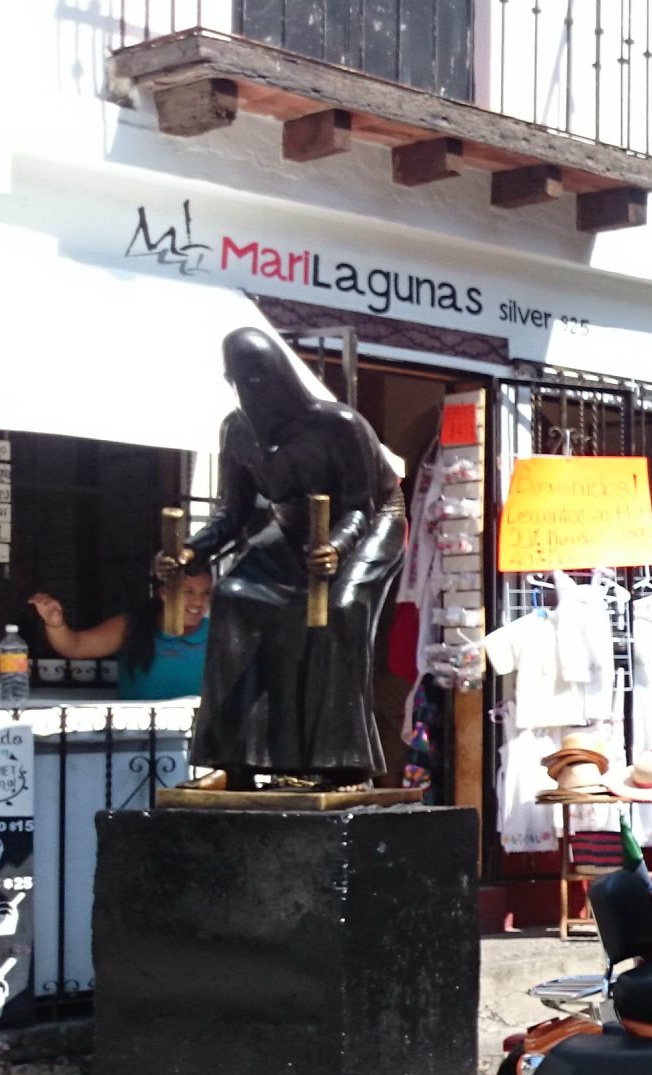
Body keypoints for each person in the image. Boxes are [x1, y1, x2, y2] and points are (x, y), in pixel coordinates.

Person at [168, 327, 405, 787]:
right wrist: (190, 552)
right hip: (295, 530)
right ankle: (237, 762)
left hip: (371, 522)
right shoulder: (236, 432)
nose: (253, 392)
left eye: (261, 379)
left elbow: (362, 505)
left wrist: (336, 549)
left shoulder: (340, 425)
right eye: (242, 381)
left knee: (340, 610)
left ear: (282, 376)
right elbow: (234, 512)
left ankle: (344, 763)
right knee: (236, 597)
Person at [27, 559, 213, 701]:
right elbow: (75, 646)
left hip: (200, 744)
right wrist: (55, 624)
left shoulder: (218, 633)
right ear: (164, 593)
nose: (198, 602)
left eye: (206, 593)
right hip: (139, 741)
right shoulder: (133, 625)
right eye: (188, 592)